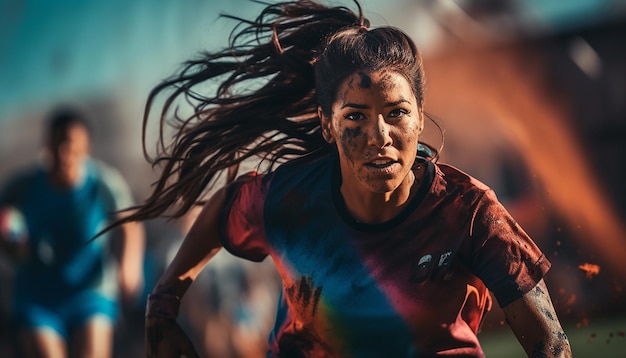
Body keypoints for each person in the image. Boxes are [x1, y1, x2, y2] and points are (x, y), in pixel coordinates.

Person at [113, 0, 572, 356]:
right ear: (327, 124)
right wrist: (162, 305)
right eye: (355, 117)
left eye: (397, 114)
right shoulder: (288, 199)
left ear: (418, 119)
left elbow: (550, 343)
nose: (380, 136)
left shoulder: (469, 211)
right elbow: (225, 209)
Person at [0, 106, 145, 357]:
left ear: (85, 148)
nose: (64, 153)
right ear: (47, 144)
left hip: (91, 292)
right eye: (57, 144)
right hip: (38, 296)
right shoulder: (22, 187)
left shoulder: (103, 184)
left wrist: (129, 267)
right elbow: (5, 222)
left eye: (72, 146)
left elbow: (130, 224)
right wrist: (13, 246)